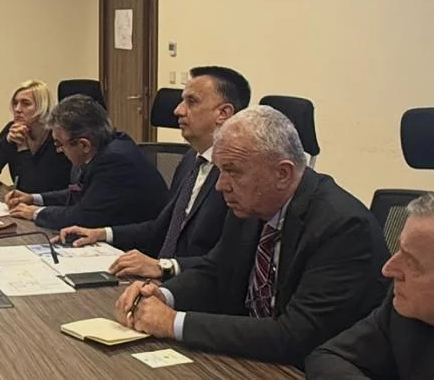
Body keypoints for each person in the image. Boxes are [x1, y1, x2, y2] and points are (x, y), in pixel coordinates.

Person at [113, 106, 389, 367]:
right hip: (251, 360)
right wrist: (163, 295)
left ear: (282, 174)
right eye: (220, 171)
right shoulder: (252, 205)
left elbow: (296, 335)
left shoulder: (344, 228)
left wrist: (172, 322)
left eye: (232, 171)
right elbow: (216, 272)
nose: (221, 186)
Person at [57, 66, 249, 280]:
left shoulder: (238, 176)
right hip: (160, 280)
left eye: (192, 102)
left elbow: (230, 260)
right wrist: (103, 233)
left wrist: (165, 267)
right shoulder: (191, 160)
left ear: (223, 113)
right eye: (182, 101)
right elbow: (160, 228)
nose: (178, 110)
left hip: (195, 287)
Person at [306, 191, 434, 378]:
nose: (388, 269)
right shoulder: (410, 309)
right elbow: (330, 358)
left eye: (413, 264)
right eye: (400, 250)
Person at [3, 95, 166, 231]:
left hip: (136, 248)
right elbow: (79, 192)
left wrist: (35, 213)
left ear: (84, 145)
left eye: (59, 144)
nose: (59, 151)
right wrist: (34, 198)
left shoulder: (115, 161)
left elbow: (83, 217)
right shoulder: (104, 147)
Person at [0, 80, 72, 194]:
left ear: (43, 107)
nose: (17, 109)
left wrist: (23, 149)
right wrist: (6, 142)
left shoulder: (56, 136)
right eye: (15, 103)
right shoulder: (13, 129)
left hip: (53, 201)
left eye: (26, 104)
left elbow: (32, 189)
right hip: (23, 201)